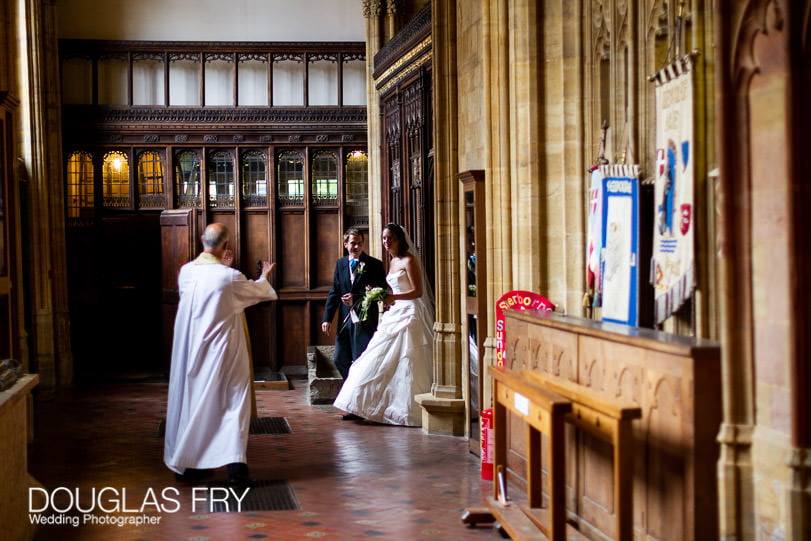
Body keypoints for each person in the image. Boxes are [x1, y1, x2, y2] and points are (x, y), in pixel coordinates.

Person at [164, 223, 277, 487]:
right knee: (233, 406)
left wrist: (224, 268)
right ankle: (237, 472)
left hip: (192, 356)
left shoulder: (186, 273)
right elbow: (255, 293)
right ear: (226, 246)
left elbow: (212, 294)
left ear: (203, 241)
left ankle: (189, 466)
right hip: (222, 355)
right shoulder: (229, 277)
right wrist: (264, 275)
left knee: (196, 409)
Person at [333, 223, 434, 426]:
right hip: (395, 312)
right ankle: (367, 404)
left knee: (408, 358)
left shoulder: (409, 259)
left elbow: (417, 292)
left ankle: (408, 407)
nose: (386, 242)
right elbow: (390, 287)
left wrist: (391, 296)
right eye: (384, 238)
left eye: (390, 238)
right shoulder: (393, 261)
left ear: (399, 239)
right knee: (376, 357)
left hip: (410, 313)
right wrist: (375, 292)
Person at [321, 228, 387, 388]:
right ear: (345, 244)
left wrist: (356, 298)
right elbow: (335, 291)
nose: (356, 247)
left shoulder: (374, 264)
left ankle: (357, 400)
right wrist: (327, 318)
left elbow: (382, 292)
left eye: (359, 243)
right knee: (339, 359)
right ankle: (352, 389)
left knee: (360, 360)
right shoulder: (340, 263)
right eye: (352, 243)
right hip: (344, 321)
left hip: (365, 320)